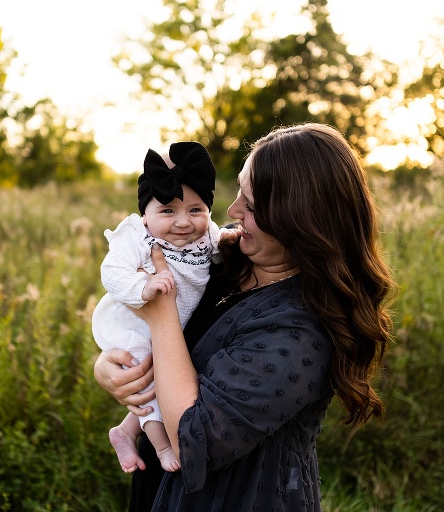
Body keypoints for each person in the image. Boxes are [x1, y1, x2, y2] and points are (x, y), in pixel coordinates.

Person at [94, 123, 396, 511]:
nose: (233, 210)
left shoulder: (301, 329)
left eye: (251, 206)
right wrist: (110, 368)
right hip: (160, 489)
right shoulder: (220, 262)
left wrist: (159, 314)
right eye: (239, 190)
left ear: (298, 220)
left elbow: (194, 439)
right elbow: (149, 337)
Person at [93, 141, 229, 474]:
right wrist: (144, 287)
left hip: (171, 325)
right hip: (133, 322)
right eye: (168, 211)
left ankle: (124, 430)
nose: (183, 222)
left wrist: (231, 241)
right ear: (146, 215)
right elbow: (111, 271)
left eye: (195, 210)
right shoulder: (138, 237)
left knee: (164, 373)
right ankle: (163, 445)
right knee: (148, 383)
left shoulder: (206, 234)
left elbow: (218, 242)